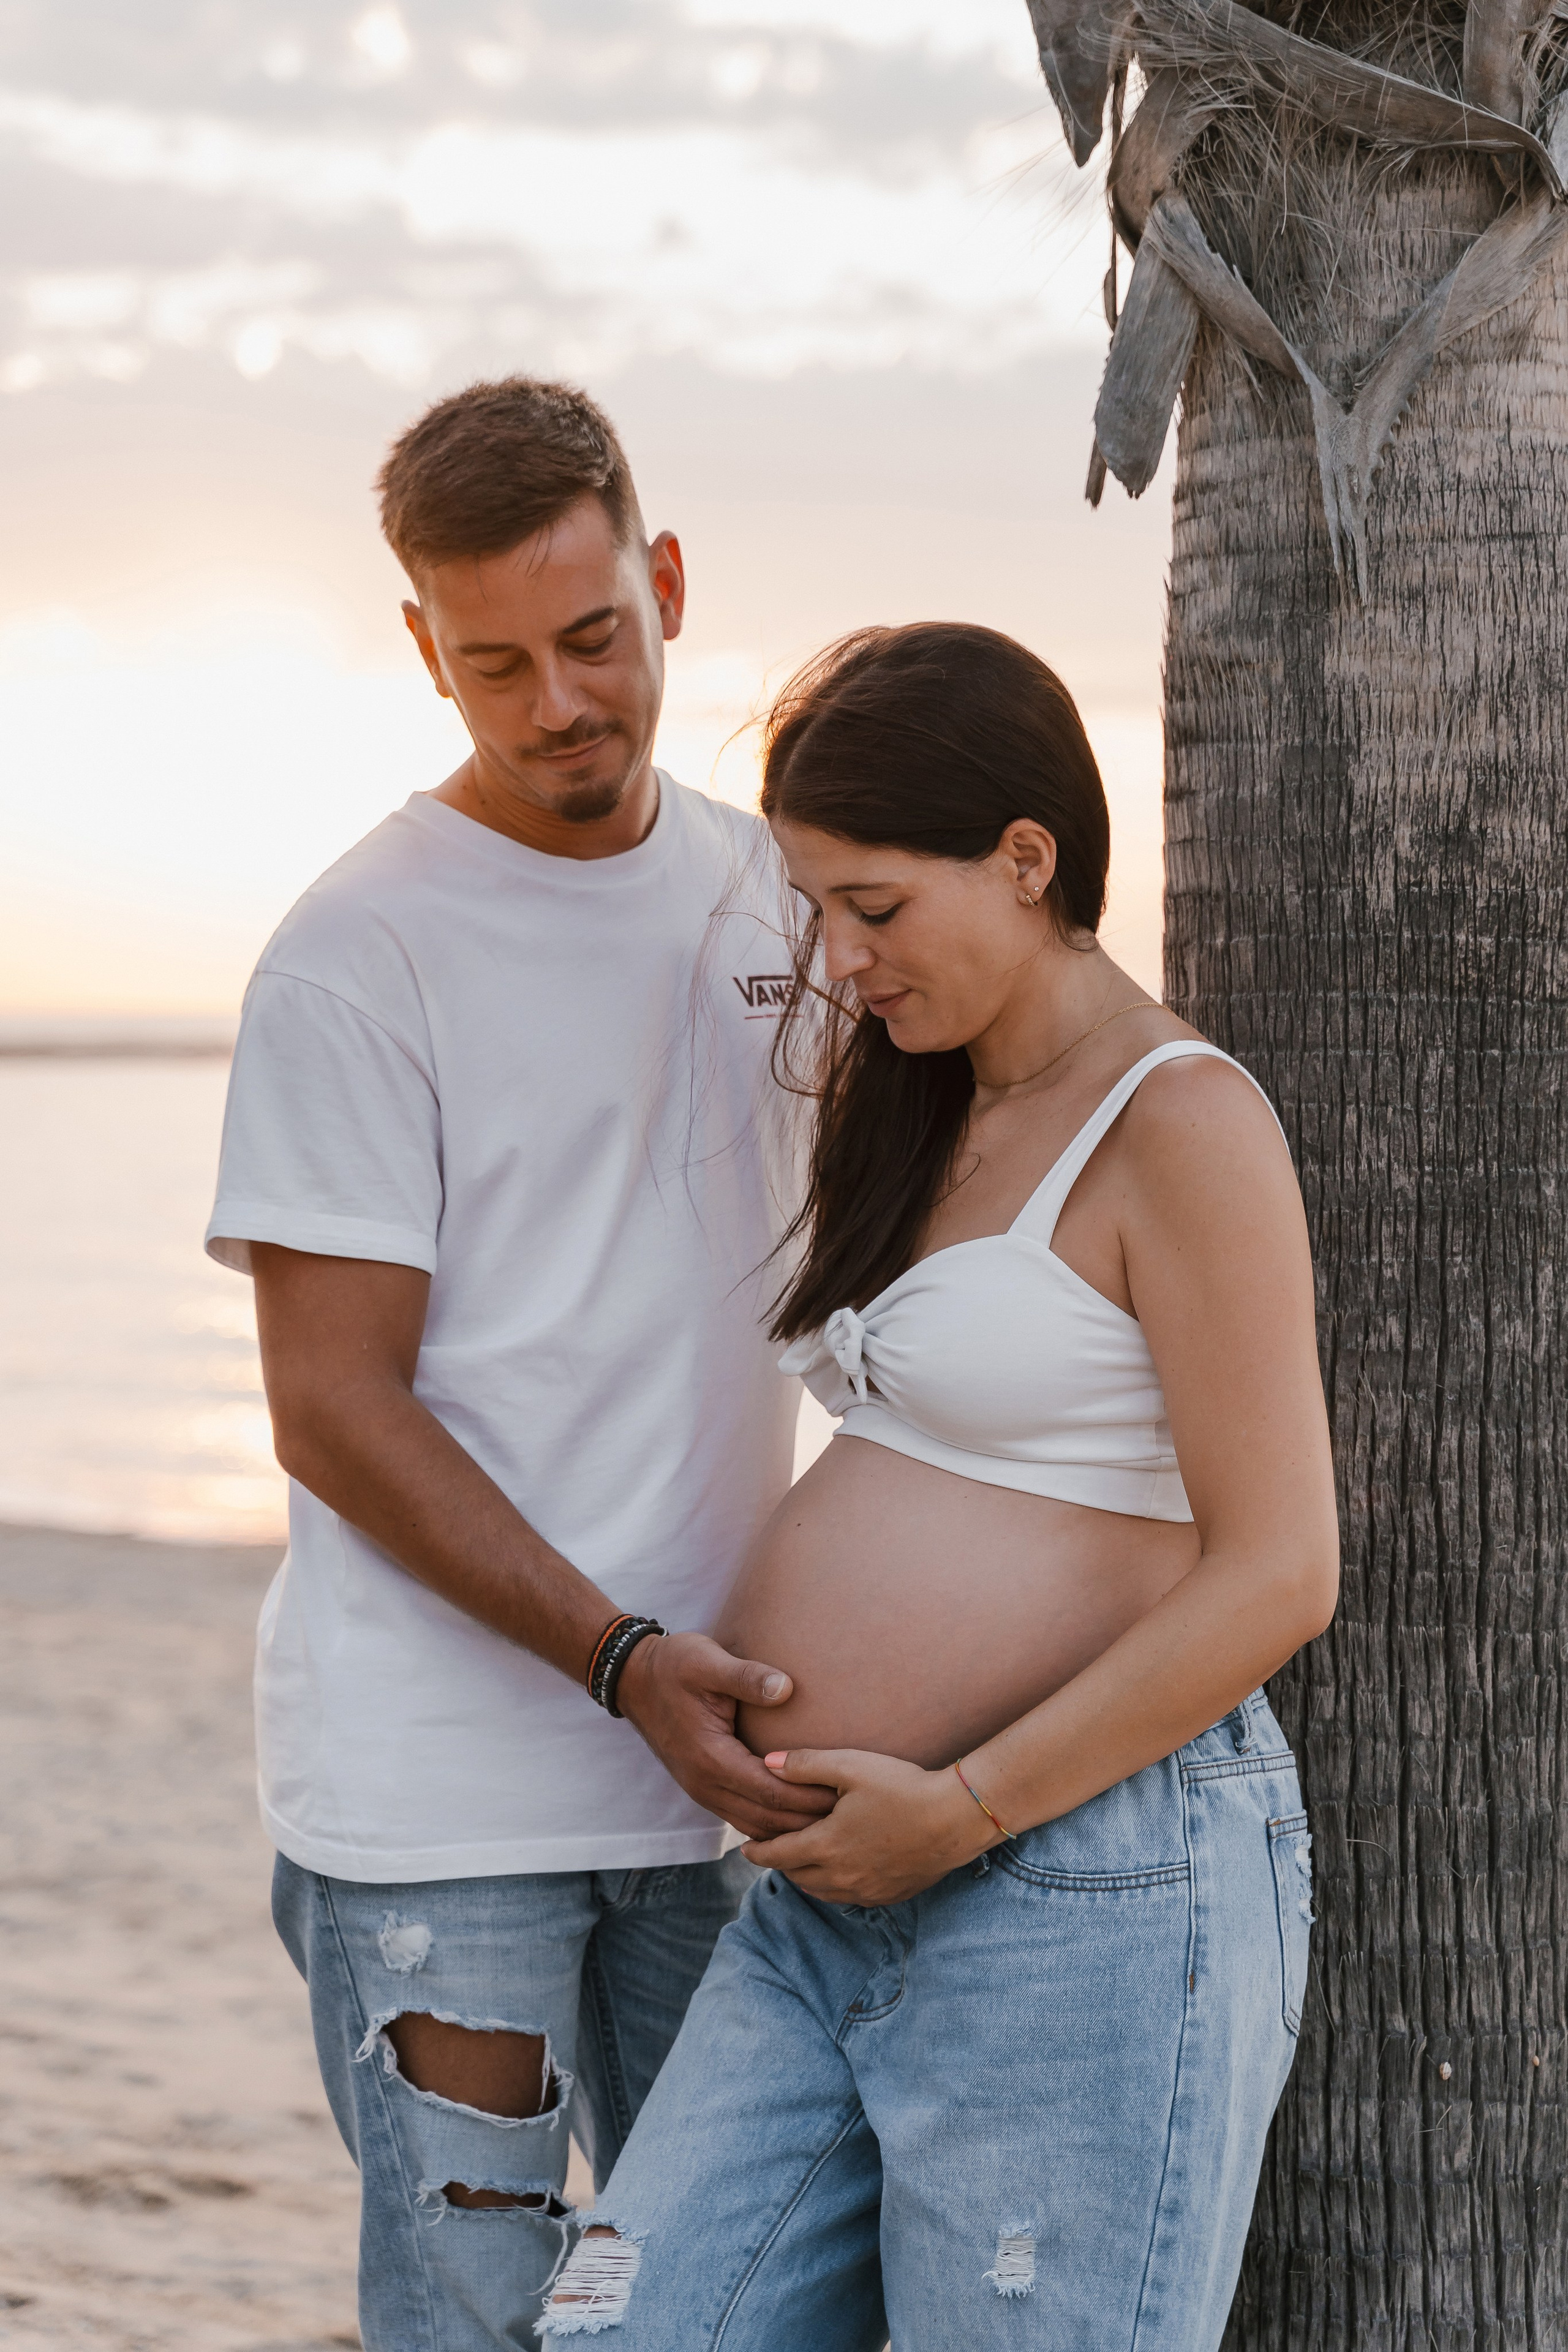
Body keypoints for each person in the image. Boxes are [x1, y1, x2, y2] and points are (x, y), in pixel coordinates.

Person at [538, 622, 1340, 2349]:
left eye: (876, 907)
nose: (839, 960)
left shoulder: (1180, 1123)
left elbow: (1282, 1568)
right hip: (831, 1893)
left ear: (1027, 859)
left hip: (1080, 1879)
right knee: (623, 2327)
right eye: (816, 908)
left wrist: (964, 1808)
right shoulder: (919, 1104)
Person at [203, 376, 831, 2351]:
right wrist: (621, 1659)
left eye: (593, 638)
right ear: (425, 650)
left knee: (734, 2306)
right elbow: (334, 1408)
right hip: (445, 1804)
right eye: (495, 666)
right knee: (482, 2318)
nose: (559, 703)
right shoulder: (356, 956)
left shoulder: (781, 896)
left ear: (666, 583)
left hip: (719, 1781)